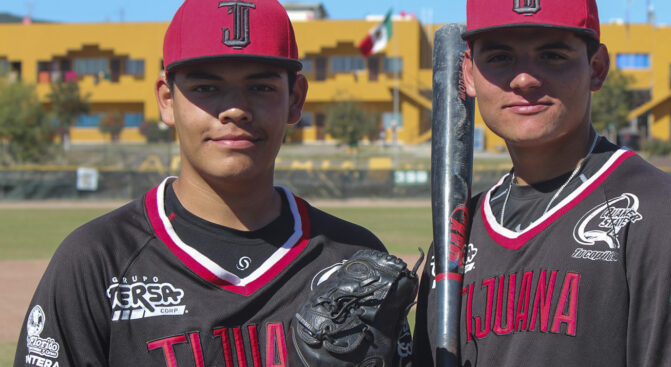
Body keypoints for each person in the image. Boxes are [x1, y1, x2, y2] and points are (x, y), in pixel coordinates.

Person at [14, 1, 412, 366]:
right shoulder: (97, 260)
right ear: (167, 100)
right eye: (206, 88)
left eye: (260, 87)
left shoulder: (353, 260)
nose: (235, 109)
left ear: (295, 99)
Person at [413, 0, 671, 365]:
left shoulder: (654, 214)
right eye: (500, 58)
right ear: (468, 75)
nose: (524, 79)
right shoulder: (458, 231)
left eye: (552, 55)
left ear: (596, 68)